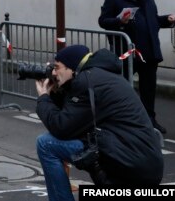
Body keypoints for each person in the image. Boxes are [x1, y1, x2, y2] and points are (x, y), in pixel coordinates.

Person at [36, 45, 163, 200]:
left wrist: (43, 97)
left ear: (72, 68)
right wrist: (55, 91)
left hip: (129, 163)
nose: (54, 73)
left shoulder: (87, 82)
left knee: (46, 144)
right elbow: (74, 114)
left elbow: (61, 127)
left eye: (57, 68)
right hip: (141, 161)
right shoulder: (100, 76)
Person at [98, 0, 175, 134]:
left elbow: (152, 20)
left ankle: (150, 120)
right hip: (127, 51)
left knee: (148, 89)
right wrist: (120, 21)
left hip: (149, 51)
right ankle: (123, 120)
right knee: (125, 88)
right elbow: (103, 21)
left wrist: (167, 20)